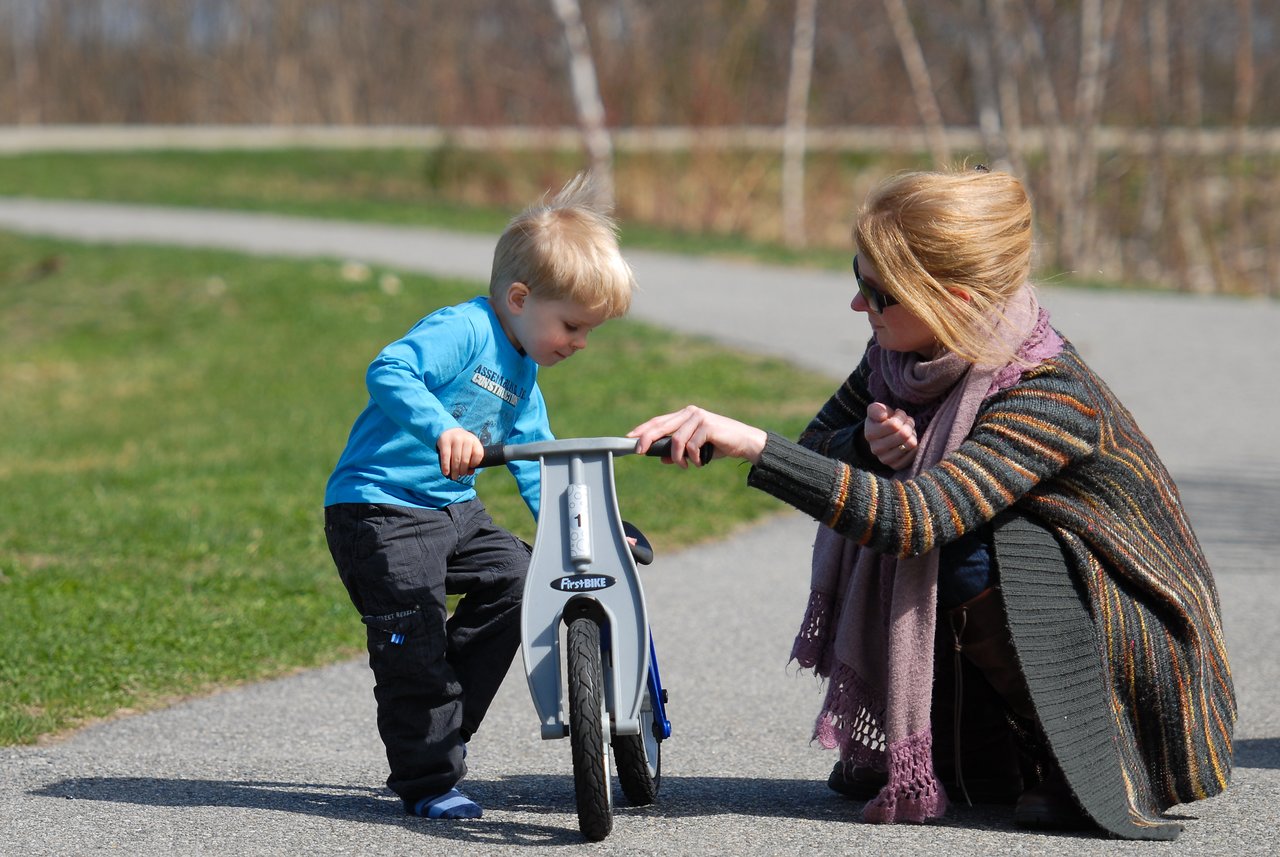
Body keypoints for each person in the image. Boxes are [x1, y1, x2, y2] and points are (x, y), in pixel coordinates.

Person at [629, 167, 1234, 840]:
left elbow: (915, 519)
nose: (860, 305)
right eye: (855, 279)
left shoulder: (1048, 392)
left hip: (1136, 658)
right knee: (971, 535)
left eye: (878, 292)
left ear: (952, 298)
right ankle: (981, 749)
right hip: (1052, 628)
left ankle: (1067, 754)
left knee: (990, 543)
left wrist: (749, 443)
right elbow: (820, 446)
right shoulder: (899, 355)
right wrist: (863, 439)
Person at [324, 173, 636, 820]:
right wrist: (442, 427)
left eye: (588, 332)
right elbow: (389, 368)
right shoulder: (463, 329)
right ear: (519, 297)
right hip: (380, 507)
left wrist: (587, 530)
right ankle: (429, 778)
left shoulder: (524, 368)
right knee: (415, 641)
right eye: (573, 325)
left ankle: (439, 726)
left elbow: (539, 461)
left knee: (519, 575)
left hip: (451, 509)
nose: (579, 343)